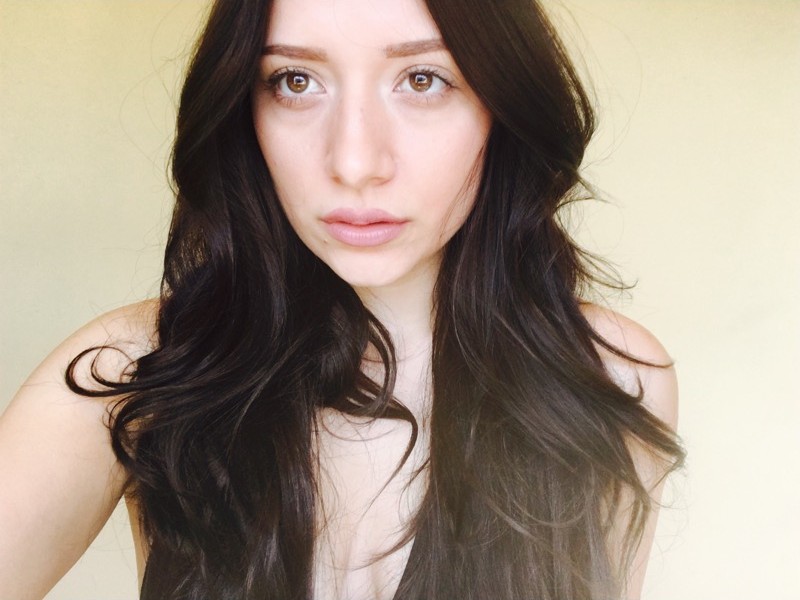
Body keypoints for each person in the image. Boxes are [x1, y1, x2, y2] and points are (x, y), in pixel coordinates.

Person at [0, 0, 685, 598]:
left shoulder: (610, 378)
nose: (355, 162)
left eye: (422, 79)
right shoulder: (134, 372)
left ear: (503, 100)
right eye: (295, 81)